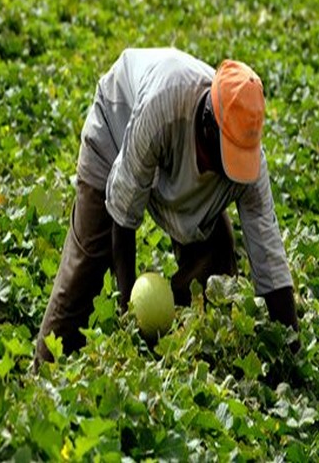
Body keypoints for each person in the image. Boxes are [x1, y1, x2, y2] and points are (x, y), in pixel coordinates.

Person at [34, 47, 298, 366]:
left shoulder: (250, 165)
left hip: (169, 164)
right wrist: (128, 305)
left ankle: (180, 353)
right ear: (207, 124)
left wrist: (291, 348)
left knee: (217, 256)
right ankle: (45, 375)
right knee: (88, 260)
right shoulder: (165, 103)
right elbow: (123, 209)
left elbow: (268, 255)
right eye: (227, 155)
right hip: (117, 129)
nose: (232, 169)